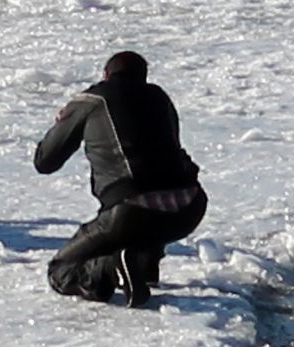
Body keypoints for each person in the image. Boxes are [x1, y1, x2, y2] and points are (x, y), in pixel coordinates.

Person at [33, 50, 206, 307]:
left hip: (131, 211)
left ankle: (114, 268)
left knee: (62, 271)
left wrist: (65, 120)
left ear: (106, 74)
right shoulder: (160, 98)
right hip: (190, 207)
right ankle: (143, 264)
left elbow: (45, 161)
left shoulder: (92, 100)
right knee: (152, 190)